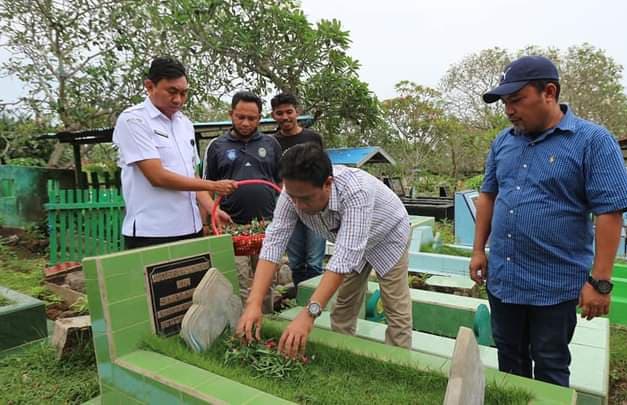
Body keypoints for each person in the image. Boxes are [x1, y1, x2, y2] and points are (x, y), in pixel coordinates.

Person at [469, 55, 627, 387]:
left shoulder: (591, 140)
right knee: (509, 361)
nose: (509, 110)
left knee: (550, 365)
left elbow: (610, 211)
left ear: (549, 92)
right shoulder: (503, 142)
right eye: (505, 102)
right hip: (504, 282)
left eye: (517, 100)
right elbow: (488, 196)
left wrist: (600, 282)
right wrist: (478, 250)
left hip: (554, 286)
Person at [236, 143, 413, 357]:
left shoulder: (356, 192)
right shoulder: (292, 193)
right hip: (350, 239)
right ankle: (343, 355)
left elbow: (343, 259)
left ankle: (398, 363)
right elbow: (274, 243)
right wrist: (253, 302)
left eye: (307, 198)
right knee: (343, 306)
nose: (298, 205)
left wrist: (308, 315)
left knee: (395, 306)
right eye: (294, 197)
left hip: (388, 233)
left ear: (327, 183)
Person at [112, 57, 236, 249]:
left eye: (183, 93)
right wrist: (214, 185)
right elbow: (157, 176)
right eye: (172, 92)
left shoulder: (185, 124)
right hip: (153, 233)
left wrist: (211, 208)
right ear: (150, 86)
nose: (178, 99)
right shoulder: (133, 120)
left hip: (190, 229)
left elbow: (191, 175)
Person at [203, 91, 282, 303]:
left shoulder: (271, 144)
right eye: (240, 117)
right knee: (235, 280)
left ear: (260, 117)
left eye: (252, 118)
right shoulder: (216, 146)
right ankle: (239, 328)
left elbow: (281, 183)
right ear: (231, 114)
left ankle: (265, 327)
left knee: (265, 281)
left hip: (265, 225)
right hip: (231, 226)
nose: (246, 122)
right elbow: (206, 187)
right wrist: (207, 223)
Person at [270, 92, 326, 288]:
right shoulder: (271, 142)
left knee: (314, 260)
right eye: (279, 113)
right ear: (273, 115)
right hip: (289, 205)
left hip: (315, 206)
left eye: (289, 112)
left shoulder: (312, 137)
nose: (285, 117)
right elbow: (272, 176)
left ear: (297, 112)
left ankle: (315, 302)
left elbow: (324, 169)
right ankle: (301, 301)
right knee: (295, 260)